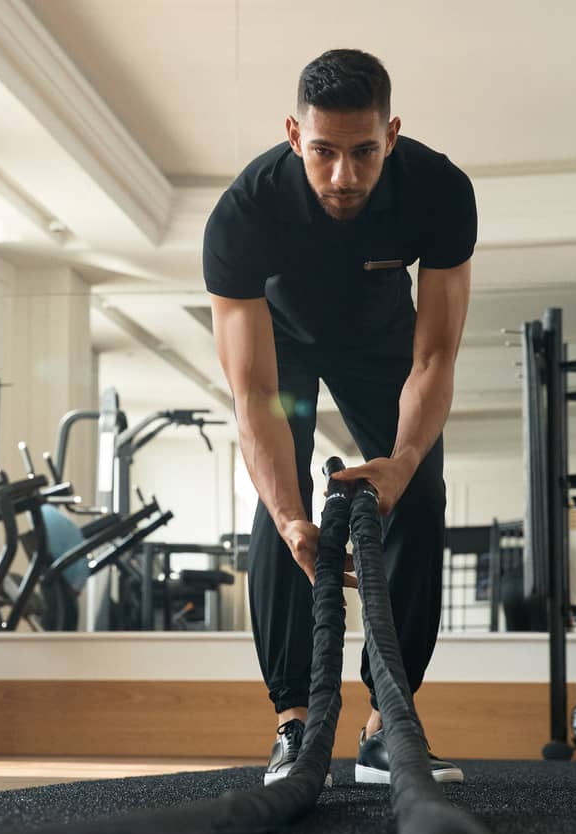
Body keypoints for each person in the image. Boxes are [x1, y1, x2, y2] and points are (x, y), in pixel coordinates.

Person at [203, 49, 475, 785]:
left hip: (383, 344)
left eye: (364, 153)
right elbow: (254, 393)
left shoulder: (440, 191)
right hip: (280, 345)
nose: (344, 176)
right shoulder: (245, 211)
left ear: (392, 133)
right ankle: (294, 726)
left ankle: (388, 727)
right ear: (294, 135)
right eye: (324, 152)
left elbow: (436, 359)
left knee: (420, 491)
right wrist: (295, 519)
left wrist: (406, 460)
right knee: (279, 500)